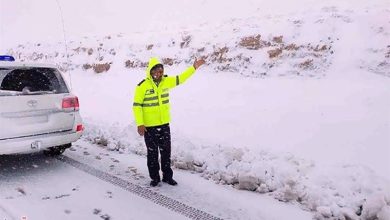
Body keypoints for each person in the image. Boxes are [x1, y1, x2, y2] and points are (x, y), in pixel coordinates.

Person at [133, 57, 205, 187]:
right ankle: (155, 178)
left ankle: (167, 176)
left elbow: (181, 78)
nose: (159, 74)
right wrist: (140, 123)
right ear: (151, 71)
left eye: (161, 71)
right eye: (157, 71)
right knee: (153, 154)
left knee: (166, 152)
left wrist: (193, 68)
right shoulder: (142, 86)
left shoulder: (166, 81)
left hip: (164, 125)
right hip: (149, 127)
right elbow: (137, 106)